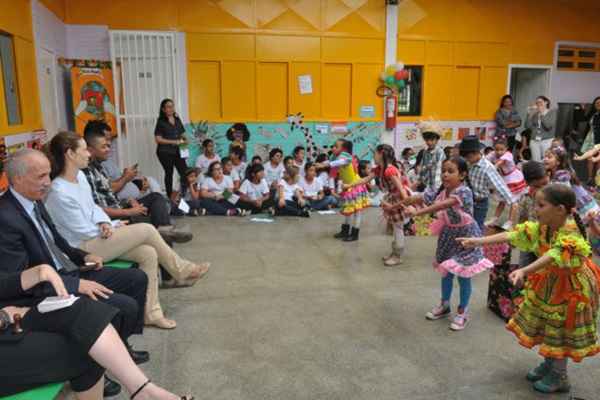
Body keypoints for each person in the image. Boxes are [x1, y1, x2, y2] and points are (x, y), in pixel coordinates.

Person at [0, 148, 149, 395]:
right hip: (47, 289)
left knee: (136, 279)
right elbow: (22, 279)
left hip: (69, 270)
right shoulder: (6, 217)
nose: (47, 182)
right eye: (41, 176)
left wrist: (84, 256)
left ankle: (116, 352)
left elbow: (56, 240)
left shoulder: (33, 201)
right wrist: (74, 285)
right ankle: (104, 362)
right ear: (17, 179)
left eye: (48, 175)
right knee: (122, 307)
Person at [45, 132, 209, 329]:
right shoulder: (58, 191)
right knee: (148, 229)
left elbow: (93, 208)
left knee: (148, 253)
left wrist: (105, 222)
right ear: (70, 154)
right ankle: (181, 270)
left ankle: (151, 313)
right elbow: (80, 230)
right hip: (82, 248)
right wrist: (112, 226)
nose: (89, 154)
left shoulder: (79, 177)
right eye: (84, 150)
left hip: (98, 236)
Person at [458, 184, 600, 393]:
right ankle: (551, 364)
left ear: (560, 209)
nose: (535, 210)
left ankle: (560, 376)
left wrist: (525, 270)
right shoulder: (544, 226)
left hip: (571, 290)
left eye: (541, 205)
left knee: (560, 330)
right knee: (548, 326)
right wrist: (477, 241)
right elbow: (513, 235)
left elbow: (553, 255)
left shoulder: (571, 233)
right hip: (551, 282)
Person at [0, 265, 194, 400]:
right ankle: (143, 391)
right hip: (7, 321)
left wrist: (35, 273)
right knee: (85, 344)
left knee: (83, 314)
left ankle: (142, 388)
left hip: (11, 313)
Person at [402, 157, 492, 330]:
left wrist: (417, 212)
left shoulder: (464, 191)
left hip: (466, 237)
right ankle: (444, 305)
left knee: (464, 275)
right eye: (443, 171)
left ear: (462, 175)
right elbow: (423, 197)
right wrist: (408, 199)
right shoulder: (441, 191)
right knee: (446, 272)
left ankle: (462, 312)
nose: (445, 174)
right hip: (448, 235)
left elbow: (440, 206)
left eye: (451, 171)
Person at [83, 128, 192, 244]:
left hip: (122, 203)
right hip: (114, 215)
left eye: (109, 145)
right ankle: (168, 227)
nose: (108, 149)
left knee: (156, 196)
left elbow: (108, 193)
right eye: (104, 146)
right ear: (90, 149)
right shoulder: (86, 172)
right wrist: (129, 210)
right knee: (159, 234)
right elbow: (98, 207)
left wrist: (128, 200)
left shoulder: (99, 167)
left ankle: (166, 228)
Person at [356, 145, 410, 266]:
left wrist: (400, 205)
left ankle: (397, 256)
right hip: (391, 200)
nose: (373, 156)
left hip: (397, 201)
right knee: (396, 228)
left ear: (381, 154)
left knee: (398, 228)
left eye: (374, 153)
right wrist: (349, 185)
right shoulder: (380, 169)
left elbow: (402, 192)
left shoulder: (389, 170)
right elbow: (364, 180)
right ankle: (394, 253)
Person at [84, 121, 162, 204]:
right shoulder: (90, 168)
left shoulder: (101, 163)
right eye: (106, 141)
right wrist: (126, 177)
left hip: (129, 199)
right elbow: (108, 192)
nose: (109, 144)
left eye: (110, 140)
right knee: (157, 198)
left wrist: (130, 176)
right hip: (123, 203)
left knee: (150, 182)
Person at [315, 139, 369, 241]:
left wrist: (323, 165)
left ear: (344, 149)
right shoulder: (336, 158)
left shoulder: (346, 158)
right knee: (348, 210)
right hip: (348, 187)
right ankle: (345, 231)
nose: (333, 148)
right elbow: (331, 162)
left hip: (355, 187)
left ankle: (354, 233)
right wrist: (322, 164)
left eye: (336, 146)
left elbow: (338, 162)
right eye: (333, 146)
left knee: (357, 212)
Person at [459, 135, 513, 231]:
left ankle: (477, 245)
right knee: (464, 227)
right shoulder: (466, 163)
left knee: (476, 229)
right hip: (465, 202)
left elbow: (499, 185)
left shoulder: (487, 167)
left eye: (469, 157)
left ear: (476, 152)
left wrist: (512, 201)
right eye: (465, 157)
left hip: (479, 204)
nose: (467, 159)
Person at [486, 137, 527, 229]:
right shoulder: (493, 154)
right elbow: (485, 159)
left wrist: (493, 167)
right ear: (493, 148)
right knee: (502, 201)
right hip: (504, 179)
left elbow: (500, 162)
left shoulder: (508, 155)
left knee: (513, 201)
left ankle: (510, 222)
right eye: (497, 149)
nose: (499, 152)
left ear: (507, 148)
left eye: (502, 149)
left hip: (513, 179)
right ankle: (495, 219)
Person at [516, 161, 549, 267]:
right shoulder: (525, 197)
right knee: (524, 270)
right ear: (527, 183)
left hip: (550, 241)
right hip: (530, 239)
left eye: (544, 184)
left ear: (548, 175)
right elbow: (522, 219)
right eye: (536, 186)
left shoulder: (556, 193)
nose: (541, 189)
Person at [154, 98, 189, 198]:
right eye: (168, 107)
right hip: (165, 152)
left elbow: (182, 134)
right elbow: (158, 139)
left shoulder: (177, 119)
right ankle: (170, 196)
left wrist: (185, 145)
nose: (171, 109)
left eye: (172, 106)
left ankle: (183, 195)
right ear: (163, 109)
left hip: (178, 151)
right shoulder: (161, 121)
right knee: (169, 173)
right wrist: (174, 142)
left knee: (185, 172)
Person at [525, 96, 557, 162]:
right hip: (534, 141)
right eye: (537, 103)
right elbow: (527, 126)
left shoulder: (552, 112)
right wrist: (528, 114)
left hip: (547, 141)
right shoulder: (536, 114)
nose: (538, 104)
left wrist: (542, 113)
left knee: (546, 160)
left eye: (540, 102)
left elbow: (548, 126)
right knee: (536, 162)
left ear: (546, 102)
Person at [577, 97, 600, 185]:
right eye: (597, 103)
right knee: (589, 159)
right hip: (590, 139)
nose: (598, 104)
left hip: (598, 139)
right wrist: (582, 109)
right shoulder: (593, 113)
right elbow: (583, 119)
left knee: (598, 160)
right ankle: (590, 178)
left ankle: (597, 180)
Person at [417, 122, 445, 191]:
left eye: (432, 140)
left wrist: (436, 188)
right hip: (426, 186)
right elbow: (422, 168)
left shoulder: (439, 152)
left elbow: (439, 169)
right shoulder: (425, 152)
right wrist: (420, 180)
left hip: (436, 187)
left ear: (437, 140)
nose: (429, 142)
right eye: (427, 140)